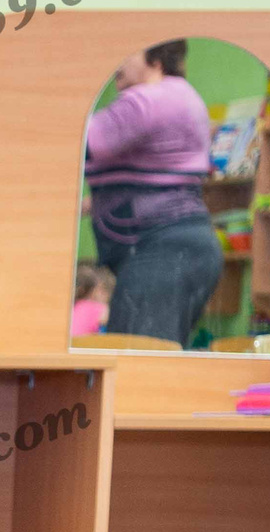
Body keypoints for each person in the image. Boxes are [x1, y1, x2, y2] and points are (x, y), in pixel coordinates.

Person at [84, 40, 222, 348]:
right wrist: (92, 205)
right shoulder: (180, 96)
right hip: (183, 248)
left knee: (133, 357)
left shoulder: (149, 99)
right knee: (149, 355)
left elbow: (74, 142)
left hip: (163, 251)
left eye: (127, 52)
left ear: (156, 60)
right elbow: (159, 177)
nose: (116, 63)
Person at [71, 262, 116, 339]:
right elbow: (114, 319)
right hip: (81, 343)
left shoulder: (76, 305)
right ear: (100, 290)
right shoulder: (99, 308)